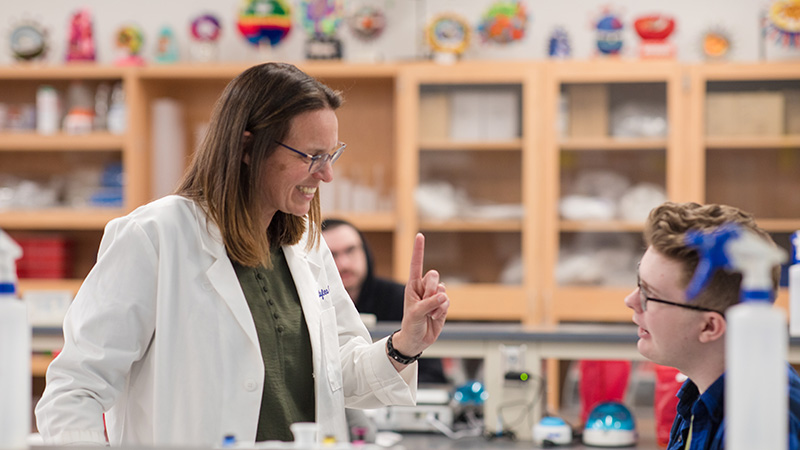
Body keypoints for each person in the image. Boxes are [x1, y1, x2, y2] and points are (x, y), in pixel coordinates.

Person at [35, 62, 449, 447]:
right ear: (248, 147)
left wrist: (403, 345)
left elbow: (338, 375)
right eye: (312, 157)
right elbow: (76, 388)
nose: (327, 174)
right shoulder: (155, 236)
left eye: (331, 155)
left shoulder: (306, 243)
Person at [624, 201, 800, 450]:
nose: (630, 301)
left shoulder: (764, 419)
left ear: (709, 327)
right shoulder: (700, 395)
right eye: (638, 283)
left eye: (648, 294)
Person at [321, 218, 448, 384]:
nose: (343, 263)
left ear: (365, 252)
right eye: (332, 255)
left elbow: (432, 377)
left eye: (350, 251)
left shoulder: (402, 299)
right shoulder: (312, 306)